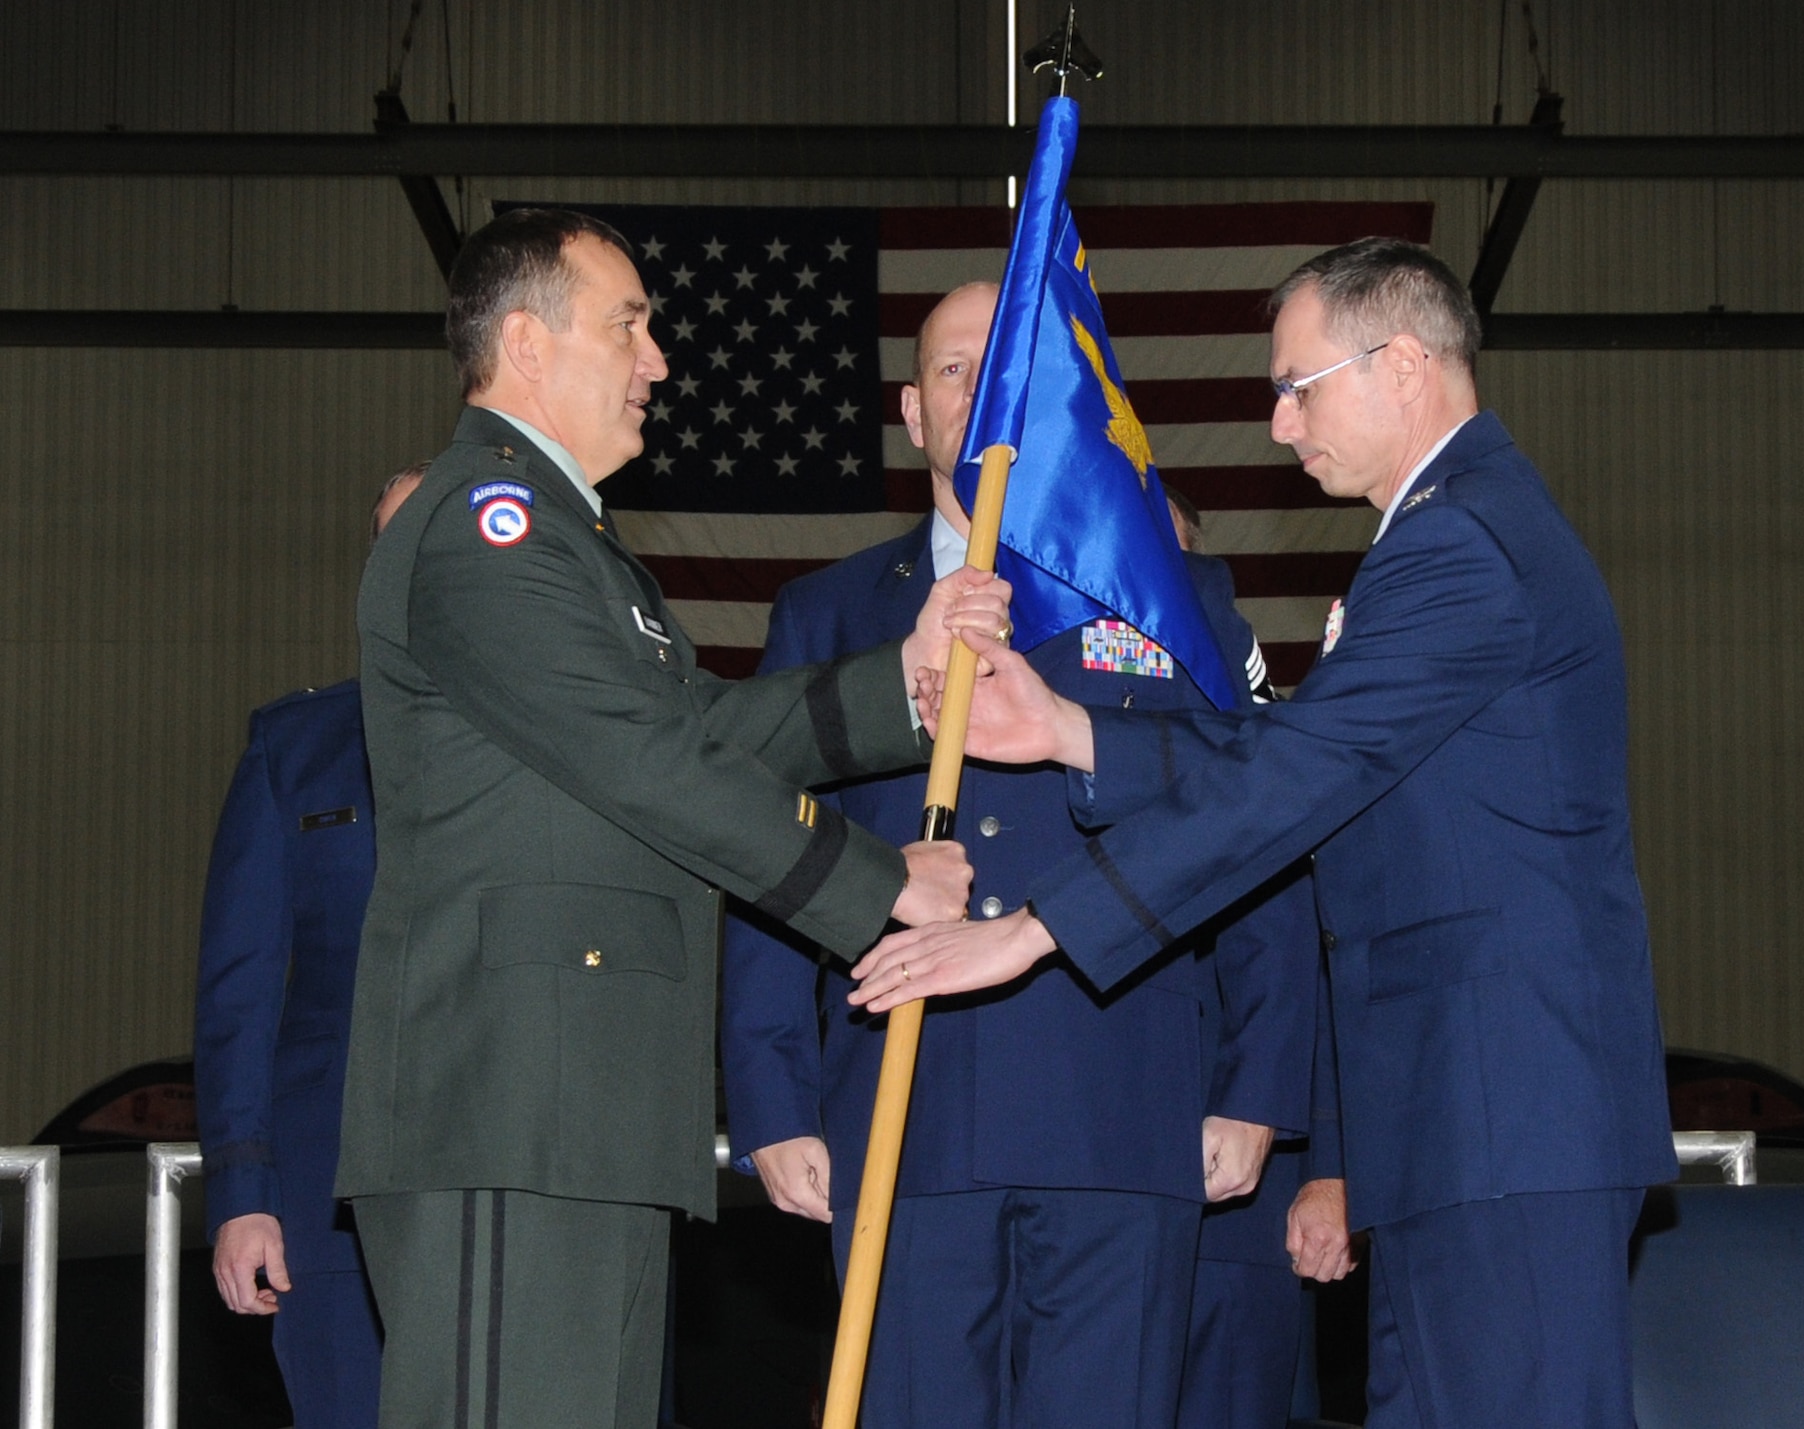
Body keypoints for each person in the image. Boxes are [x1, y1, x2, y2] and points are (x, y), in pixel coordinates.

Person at [850, 238, 1679, 1429]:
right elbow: (1297, 757)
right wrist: (1080, 737)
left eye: (1299, 385)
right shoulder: (1445, 531)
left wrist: (1034, 929)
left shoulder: (1461, 546)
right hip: (1466, 1111)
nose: (1281, 425)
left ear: (1398, 365)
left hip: (1503, 1105)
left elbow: (1295, 775)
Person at [336, 207, 1003, 1429]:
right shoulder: (493, 529)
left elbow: (696, 728)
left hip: (578, 1105)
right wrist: (873, 888)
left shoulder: (573, 541)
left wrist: (894, 683)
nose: (658, 361)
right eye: (629, 325)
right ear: (528, 346)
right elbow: (643, 759)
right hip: (510, 1105)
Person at [721, 282, 1318, 1429]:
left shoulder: (1170, 595)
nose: (980, 393)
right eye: (954, 370)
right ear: (912, 409)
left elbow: (1256, 832)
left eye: (1008, 371)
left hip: (1122, 1100)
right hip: (900, 1108)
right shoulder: (830, 610)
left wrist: (1254, 1086)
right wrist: (771, 1096)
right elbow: (759, 847)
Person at [193, 465, 424, 1429]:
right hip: (328, 1201)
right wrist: (243, 1192)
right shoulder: (296, 747)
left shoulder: (566, 742)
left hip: (519, 1191)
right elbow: (239, 992)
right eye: (386, 541)